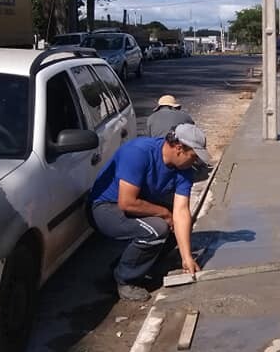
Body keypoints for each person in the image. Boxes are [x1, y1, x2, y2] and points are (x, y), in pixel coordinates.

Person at [89, 124, 212, 301]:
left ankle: (132, 264)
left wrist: (187, 257)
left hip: (135, 204)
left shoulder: (184, 170)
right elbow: (127, 202)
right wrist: (164, 213)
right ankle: (124, 280)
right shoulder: (139, 152)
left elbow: (181, 211)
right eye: (193, 157)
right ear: (179, 148)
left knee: (178, 224)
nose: (195, 162)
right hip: (105, 207)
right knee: (157, 228)